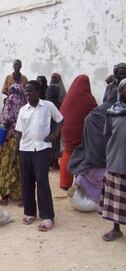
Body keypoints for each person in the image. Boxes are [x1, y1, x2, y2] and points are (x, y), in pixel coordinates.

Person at [13, 80, 63, 232]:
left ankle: (47, 216)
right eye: (26, 92)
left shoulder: (48, 106)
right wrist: (15, 153)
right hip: (25, 149)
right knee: (26, 182)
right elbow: (19, 132)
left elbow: (60, 120)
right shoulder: (23, 110)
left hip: (42, 149)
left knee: (42, 181)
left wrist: (54, 135)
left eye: (31, 91)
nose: (28, 94)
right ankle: (30, 212)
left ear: (39, 92)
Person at [68, 84, 118, 203]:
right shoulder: (119, 111)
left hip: (92, 151)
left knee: (85, 165)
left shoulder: (96, 112)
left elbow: (87, 120)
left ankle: (79, 183)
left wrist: (90, 142)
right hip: (112, 155)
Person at [59, 75, 97, 190]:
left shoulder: (67, 98)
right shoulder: (89, 99)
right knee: (82, 154)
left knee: (68, 151)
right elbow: (95, 112)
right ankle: (81, 184)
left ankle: (65, 183)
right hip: (81, 132)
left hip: (66, 130)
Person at [100, 78, 126, 241]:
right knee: (116, 198)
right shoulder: (112, 111)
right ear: (120, 91)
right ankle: (116, 229)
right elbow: (108, 134)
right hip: (117, 158)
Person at [0, 84, 26, 206]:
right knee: (20, 167)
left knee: (6, 166)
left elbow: (5, 119)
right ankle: (21, 196)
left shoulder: (10, 100)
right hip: (23, 139)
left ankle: (5, 195)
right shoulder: (26, 103)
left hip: (10, 138)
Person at [46, 84, 62, 169]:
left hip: (47, 128)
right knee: (55, 145)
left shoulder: (44, 103)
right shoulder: (59, 104)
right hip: (55, 128)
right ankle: (53, 162)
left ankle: (49, 162)